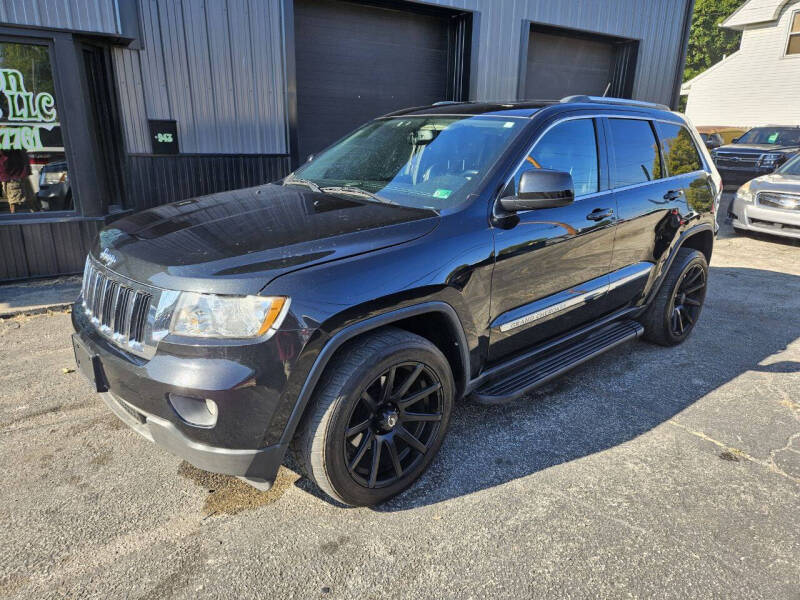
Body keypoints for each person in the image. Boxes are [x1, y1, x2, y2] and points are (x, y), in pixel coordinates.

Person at [0, 148, 39, 213]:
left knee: (31, 201)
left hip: (20, 172)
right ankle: (15, 218)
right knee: (15, 202)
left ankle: (37, 216)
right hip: (13, 174)